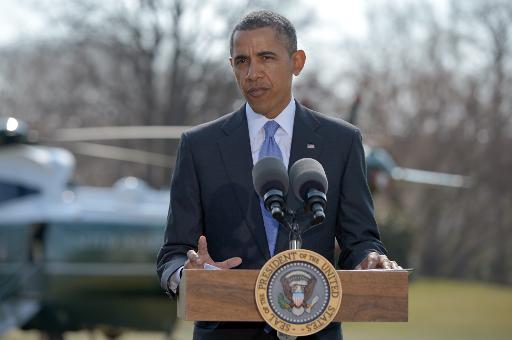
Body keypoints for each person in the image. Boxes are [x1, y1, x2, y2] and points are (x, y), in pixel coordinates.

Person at [157, 10, 400, 340]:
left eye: (266, 58)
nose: (252, 73)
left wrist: (371, 260)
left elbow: (360, 240)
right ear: (232, 67)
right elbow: (172, 254)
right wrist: (188, 274)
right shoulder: (199, 146)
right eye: (241, 61)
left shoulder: (341, 142)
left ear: (297, 62)